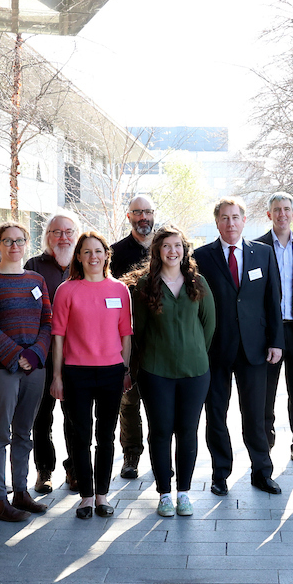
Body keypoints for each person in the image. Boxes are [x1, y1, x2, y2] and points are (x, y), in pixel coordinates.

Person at [193, 197, 284, 496]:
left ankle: (262, 471)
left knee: (255, 415)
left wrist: (276, 342)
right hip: (215, 350)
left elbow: (273, 300)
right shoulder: (201, 257)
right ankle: (220, 473)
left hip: (255, 348)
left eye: (235, 217)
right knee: (216, 413)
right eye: (224, 218)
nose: (230, 223)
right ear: (217, 222)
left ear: (245, 221)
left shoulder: (264, 253)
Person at [129, 225, 216, 517]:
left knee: (188, 431)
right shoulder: (144, 285)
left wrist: (192, 351)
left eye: (177, 245)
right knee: (161, 431)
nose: (173, 251)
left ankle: (184, 493)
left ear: (184, 249)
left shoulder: (198, 282)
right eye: (166, 246)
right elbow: (138, 330)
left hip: (195, 372)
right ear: (157, 251)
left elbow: (208, 325)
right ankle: (165, 493)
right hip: (156, 372)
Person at [0, 222, 53, 522]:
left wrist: (35, 353)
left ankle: (21, 491)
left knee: (24, 433)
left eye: (20, 240)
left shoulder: (36, 279)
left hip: (35, 367)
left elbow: (48, 320)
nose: (14, 246)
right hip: (1, 368)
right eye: (7, 241)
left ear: (27, 243)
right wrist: (16, 356)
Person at [50, 231, 133, 519]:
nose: (93, 256)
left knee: (106, 436)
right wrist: (57, 376)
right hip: (76, 373)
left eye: (98, 251)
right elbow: (58, 337)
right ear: (79, 257)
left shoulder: (120, 290)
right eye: (86, 252)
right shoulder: (66, 290)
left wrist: (125, 369)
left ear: (107, 255)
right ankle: (85, 496)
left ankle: (102, 495)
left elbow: (126, 335)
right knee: (80, 435)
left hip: (111, 372)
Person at [255, 192, 293, 467]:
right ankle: (264, 444)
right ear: (269, 214)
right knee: (265, 393)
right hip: (269, 333)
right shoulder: (256, 246)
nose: (282, 214)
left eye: (287, 209)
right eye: (277, 210)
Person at [24, 209, 79, 493]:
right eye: (56, 232)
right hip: (43, 352)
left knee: (75, 415)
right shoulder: (34, 264)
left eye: (68, 232)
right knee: (41, 416)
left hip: (76, 355)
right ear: (47, 237)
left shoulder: (84, 262)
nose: (63, 237)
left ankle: (76, 469)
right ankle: (44, 470)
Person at [109, 194, 156, 480]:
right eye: (137, 212)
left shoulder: (169, 248)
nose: (143, 217)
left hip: (161, 338)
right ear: (128, 216)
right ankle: (131, 455)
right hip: (127, 338)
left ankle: (160, 454)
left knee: (160, 400)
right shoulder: (115, 253)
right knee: (128, 400)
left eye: (147, 212)